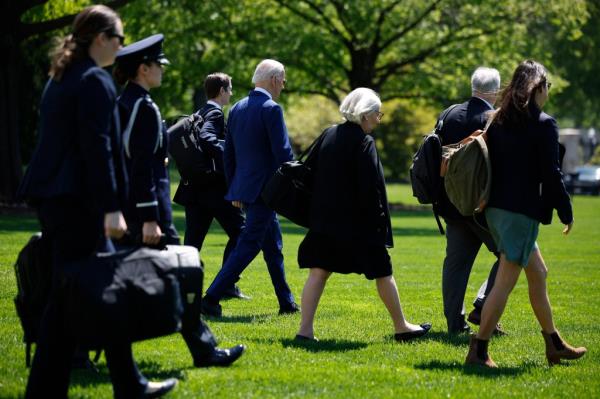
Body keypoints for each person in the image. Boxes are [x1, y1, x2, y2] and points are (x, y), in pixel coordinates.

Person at [17, 5, 176, 398]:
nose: (121, 48)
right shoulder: (94, 81)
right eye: (119, 39)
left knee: (71, 293)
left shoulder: (63, 76)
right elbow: (97, 149)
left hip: (56, 199)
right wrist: (110, 208)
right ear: (101, 39)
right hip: (79, 204)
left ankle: (94, 384)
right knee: (103, 289)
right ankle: (128, 383)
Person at [113, 34, 245, 367]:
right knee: (183, 274)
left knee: (171, 275)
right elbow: (141, 167)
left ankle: (203, 349)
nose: (162, 71)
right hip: (145, 214)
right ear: (143, 69)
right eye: (158, 65)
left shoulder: (122, 103)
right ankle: (204, 350)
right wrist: (149, 217)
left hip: (131, 210)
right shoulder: (142, 107)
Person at [466, 60, 587, 367]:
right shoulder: (544, 123)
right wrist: (566, 210)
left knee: (539, 273)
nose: (548, 93)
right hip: (519, 213)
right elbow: (551, 172)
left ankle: (554, 342)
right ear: (539, 87)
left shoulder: (497, 119)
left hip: (495, 209)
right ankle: (478, 349)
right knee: (504, 283)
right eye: (548, 87)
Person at [295, 88, 431, 342]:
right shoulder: (363, 142)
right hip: (358, 224)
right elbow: (370, 186)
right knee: (383, 272)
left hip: (326, 220)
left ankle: (305, 331)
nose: (379, 120)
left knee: (319, 271)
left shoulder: (329, 134)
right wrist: (378, 220)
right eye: (378, 115)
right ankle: (401, 326)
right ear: (366, 114)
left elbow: (308, 173)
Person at [202, 59, 298, 317]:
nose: (284, 85)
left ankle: (287, 303)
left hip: (248, 189)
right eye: (283, 79)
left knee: (273, 246)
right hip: (267, 190)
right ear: (275, 79)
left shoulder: (237, 108)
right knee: (249, 244)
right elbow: (283, 154)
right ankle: (210, 298)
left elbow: (229, 154)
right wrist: (299, 177)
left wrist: (236, 189)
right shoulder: (271, 109)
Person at [436, 67, 505, 335]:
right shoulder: (495, 119)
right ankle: (483, 304)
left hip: (451, 204)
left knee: (455, 265)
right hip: (482, 206)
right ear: (496, 92)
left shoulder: (448, 114)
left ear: (472, 86)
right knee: (511, 255)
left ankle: (455, 324)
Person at [173, 73, 248, 300]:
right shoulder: (215, 113)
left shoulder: (200, 112)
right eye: (230, 89)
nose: (232, 93)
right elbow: (207, 139)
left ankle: (181, 291)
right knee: (241, 233)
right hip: (214, 190)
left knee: (192, 244)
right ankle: (226, 284)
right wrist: (230, 157)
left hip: (194, 189)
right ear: (222, 91)